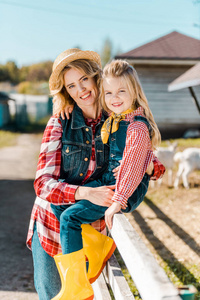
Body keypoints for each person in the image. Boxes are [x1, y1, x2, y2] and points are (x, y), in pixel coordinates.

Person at [26, 49, 164, 300]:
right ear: (66, 91)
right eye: (71, 86)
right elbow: (42, 184)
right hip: (51, 221)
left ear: (96, 78)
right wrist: (85, 192)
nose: (81, 90)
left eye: (84, 80)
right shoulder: (59, 122)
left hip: (85, 223)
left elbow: (151, 162)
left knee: (77, 296)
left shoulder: (116, 117)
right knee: (52, 294)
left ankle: (94, 245)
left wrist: (146, 165)